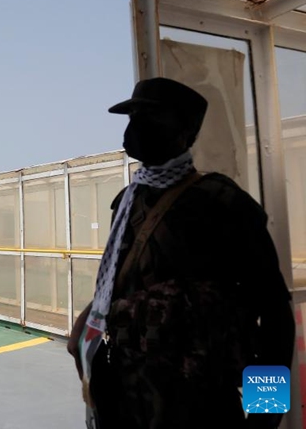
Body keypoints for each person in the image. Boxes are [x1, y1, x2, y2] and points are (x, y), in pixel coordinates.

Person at [67, 77, 295, 428]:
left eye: (152, 117)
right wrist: (91, 318)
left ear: (185, 132)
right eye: (133, 116)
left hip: (198, 402)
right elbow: (122, 283)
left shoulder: (223, 204)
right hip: (126, 397)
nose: (137, 126)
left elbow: (275, 313)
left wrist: (266, 412)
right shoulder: (128, 202)